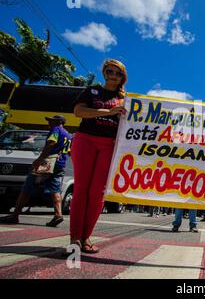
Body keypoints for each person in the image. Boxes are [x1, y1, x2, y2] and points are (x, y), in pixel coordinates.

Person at [69, 59, 128, 254]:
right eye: (110, 71)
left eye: (118, 73)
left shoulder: (126, 99)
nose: (113, 75)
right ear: (104, 72)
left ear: (122, 77)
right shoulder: (92, 91)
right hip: (85, 140)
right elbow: (78, 111)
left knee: (98, 193)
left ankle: (86, 237)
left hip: (109, 146)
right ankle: (75, 238)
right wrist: (107, 111)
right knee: (81, 189)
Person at [0, 116, 72, 227]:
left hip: (48, 162)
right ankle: (58, 215)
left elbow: (51, 143)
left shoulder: (56, 129)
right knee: (55, 189)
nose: (49, 123)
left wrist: (39, 159)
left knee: (28, 186)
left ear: (58, 122)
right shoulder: (68, 135)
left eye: (51, 121)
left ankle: (15, 215)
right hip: (60, 164)